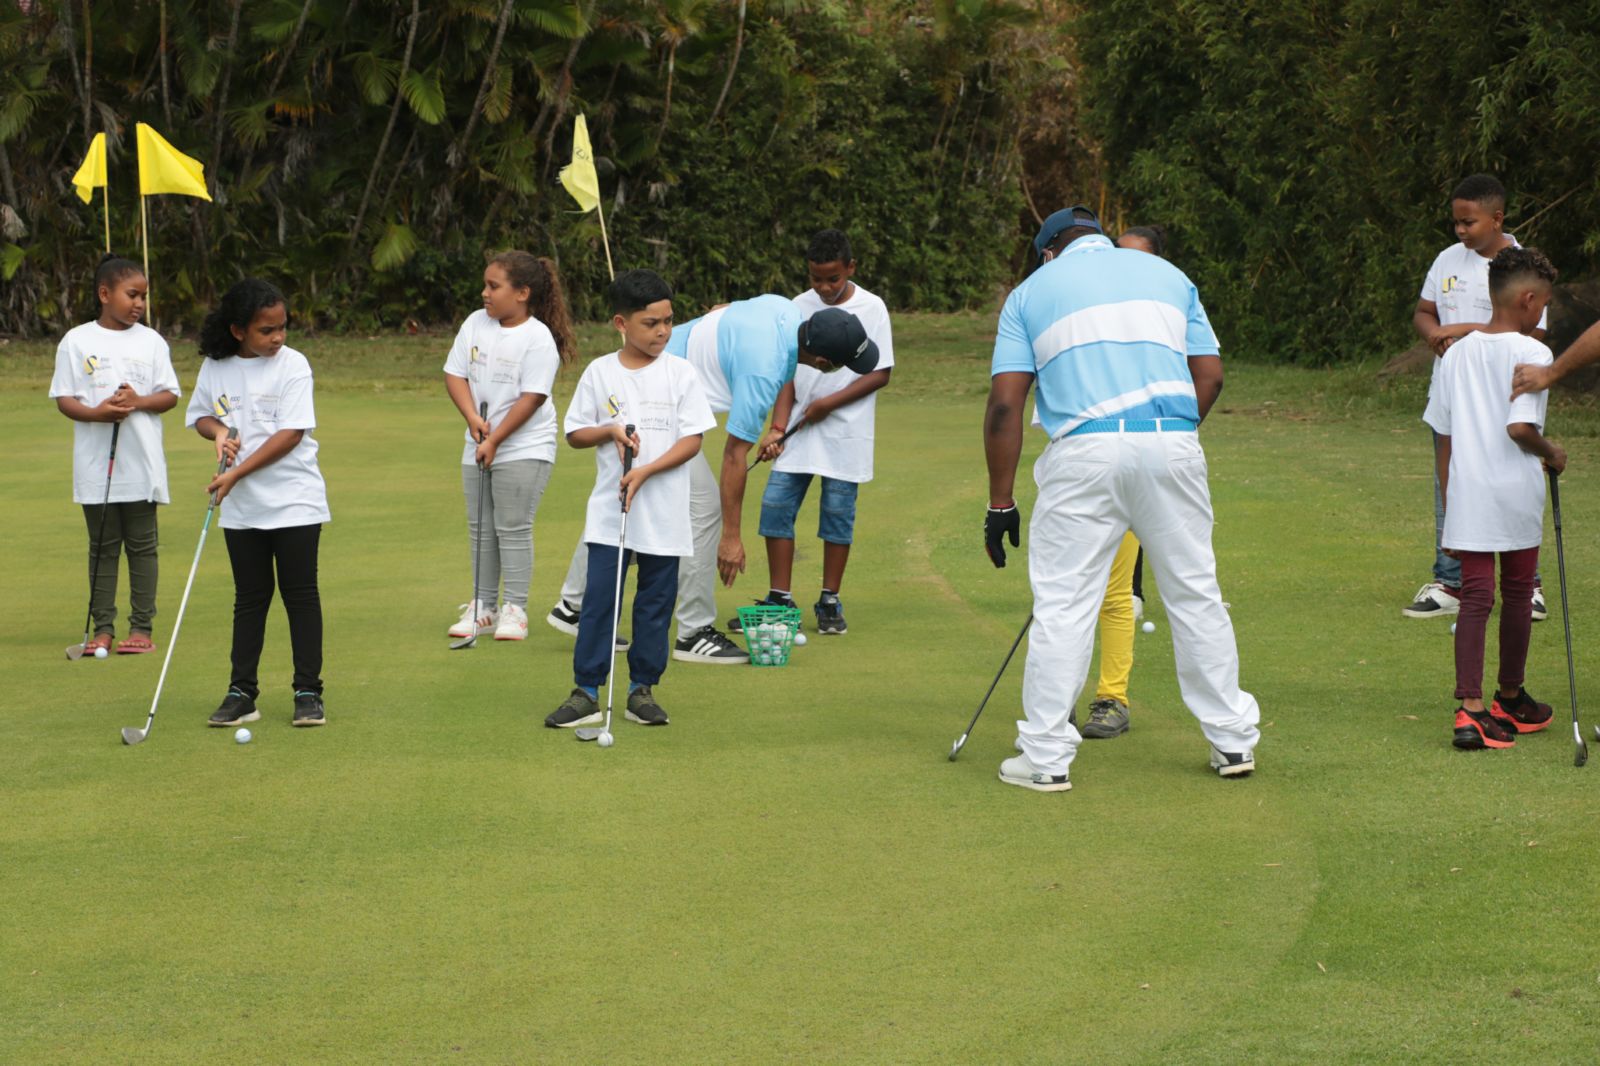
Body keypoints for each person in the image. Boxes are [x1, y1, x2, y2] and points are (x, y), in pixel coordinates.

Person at [982, 203, 1260, 791]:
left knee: (1064, 604)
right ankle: (1233, 742)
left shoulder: (1031, 292)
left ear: (1050, 251)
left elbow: (1007, 403)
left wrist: (1000, 502)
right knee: (1195, 593)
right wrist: (1169, 444)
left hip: (1083, 453)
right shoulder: (1169, 275)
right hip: (1172, 441)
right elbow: (1209, 376)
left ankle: (1047, 757)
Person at [545, 295, 880, 663]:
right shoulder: (762, 371)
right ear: (823, 364)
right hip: (659, 395)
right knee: (704, 509)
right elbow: (734, 455)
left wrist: (773, 429)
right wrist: (731, 538)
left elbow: (720, 310)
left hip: (651, 365)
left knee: (632, 497)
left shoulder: (784, 310)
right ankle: (692, 632)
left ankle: (573, 605)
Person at [546, 270, 716, 729]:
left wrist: (646, 471)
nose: (662, 331)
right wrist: (609, 431)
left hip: (665, 514)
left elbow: (693, 440)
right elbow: (576, 433)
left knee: (655, 606)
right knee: (601, 602)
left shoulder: (681, 372)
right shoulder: (600, 372)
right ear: (621, 323)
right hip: (611, 512)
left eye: (668, 321)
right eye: (650, 323)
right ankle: (586, 690)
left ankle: (641, 689)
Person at [1424, 246, 1561, 749]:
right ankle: (1507, 695)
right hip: (1515, 492)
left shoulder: (1456, 352)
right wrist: (1553, 452)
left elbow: (1444, 436)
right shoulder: (1535, 353)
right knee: (1519, 594)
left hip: (1470, 495)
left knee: (1477, 599)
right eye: (1543, 303)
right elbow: (1521, 428)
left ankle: (1473, 709)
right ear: (1527, 300)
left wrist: (1450, 507)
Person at [732, 228, 894, 636]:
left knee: (838, 515)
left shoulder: (872, 308)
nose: (823, 287)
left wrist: (827, 404)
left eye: (833, 279)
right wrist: (778, 426)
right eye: (816, 278)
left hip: (846, 432)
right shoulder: (795, 308)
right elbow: (787, 372)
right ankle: (780, 599)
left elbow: (880, 373)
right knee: (774, 508)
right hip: (798, 430)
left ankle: (829, 600)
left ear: (851, 268)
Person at [186, 279, 331, 728]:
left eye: (282, 327)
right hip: (243, 506)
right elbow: (201, 417)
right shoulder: (216, 366)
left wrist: (234, 473)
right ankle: (241, 692)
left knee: (300, 594)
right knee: (249, 598)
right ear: (238, 331)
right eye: (266, 330)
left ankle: (308, 691)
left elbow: (289, 435)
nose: (278, 337)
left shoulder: (293, 365)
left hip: (295, 500)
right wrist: (221, 434)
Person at [1405, 174, 1547, 622]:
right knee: (1451, 475)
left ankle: (1529, 586)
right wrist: (1436, 337)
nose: (1461, 231)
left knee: (1513, 474)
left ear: (1497, 218)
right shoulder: (1447, 260)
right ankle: (1451, 580)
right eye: (1456, 223)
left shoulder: (1521, 264)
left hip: (1507, 391)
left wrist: (1461, 331)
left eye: (1469, 222)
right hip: (1454, 386)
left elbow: (1535, 331)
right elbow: (1425, 314)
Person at [49, 255, 181, 655]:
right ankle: (102, 628)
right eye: (132, 295)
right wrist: (97, 413)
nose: (139, 303)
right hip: (95, 467)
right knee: (103, 548)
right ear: (105, 294)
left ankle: (141, 627)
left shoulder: (152, 341)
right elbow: (64, 399)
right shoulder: (76, 340)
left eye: (143, 296)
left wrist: (137, 401)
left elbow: (169, 396)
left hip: (141, 465)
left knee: (142, 547)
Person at [442, 252, 574, 643]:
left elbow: (532, 397)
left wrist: (497, 438)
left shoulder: (538, 338)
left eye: (493, 286)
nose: (484, 293)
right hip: (480, 439)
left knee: (512, 527)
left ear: (522, 293)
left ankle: (514, 609)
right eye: (485, 285)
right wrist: (473, 420)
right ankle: (483, 606)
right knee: (480, 528)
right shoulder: (474, 323)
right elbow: (455, 374)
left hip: (524, 445)